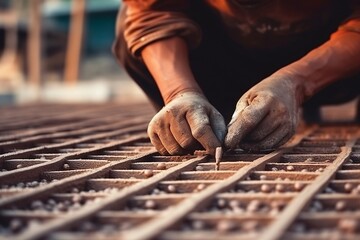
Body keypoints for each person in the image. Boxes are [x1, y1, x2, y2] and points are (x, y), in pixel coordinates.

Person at [113, 0, 360, 156]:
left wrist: (296, 82)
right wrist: (179, 91)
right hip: (223, 63)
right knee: (128, 24)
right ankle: (201, 112)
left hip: (332, 66)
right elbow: (153, 14)